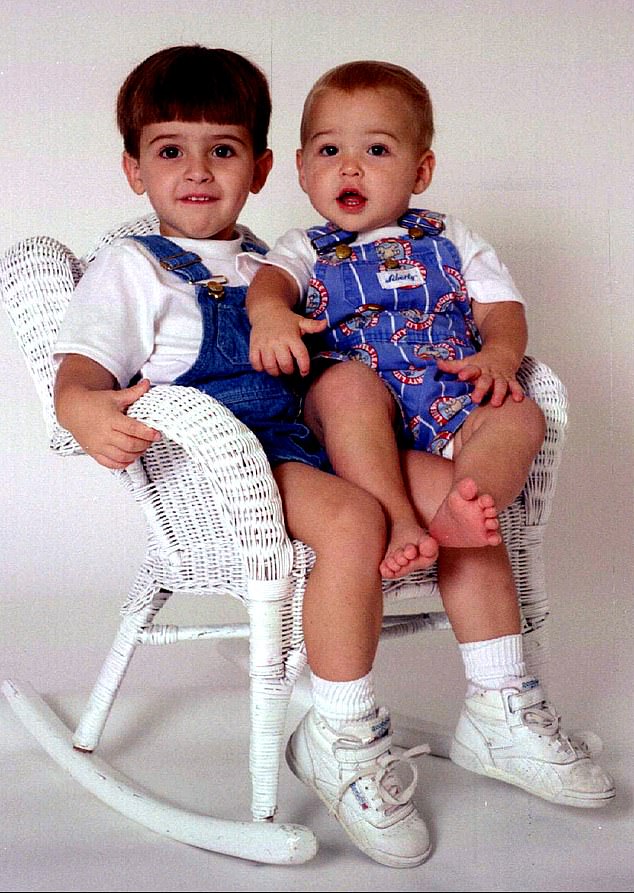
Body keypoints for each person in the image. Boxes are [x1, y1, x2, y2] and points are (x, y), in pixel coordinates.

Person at [53, 46, 433, 869]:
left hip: (304, 439)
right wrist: (81, 407)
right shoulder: (133, 268)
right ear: (133, 169)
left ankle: (504, 700)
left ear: (260, 168)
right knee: (355, 518)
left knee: (424, 468)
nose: (196, 171)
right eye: (169, 150)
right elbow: (81, 369)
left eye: (222, 149)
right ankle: (343, 733)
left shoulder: (277, 265)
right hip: (227, 470)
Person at [245, 59, 615, 841]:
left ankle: (494, 679)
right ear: (305, 169)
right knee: (342, 384)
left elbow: (502, 311)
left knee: (516, 423)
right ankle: (396, 514)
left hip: (444, 406)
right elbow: (267, 290)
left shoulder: (453, 237)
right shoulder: (300, 247)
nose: (349, 165)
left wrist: (500, 359)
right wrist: (273, 319)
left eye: (376, 150)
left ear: (421, 168)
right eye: (327, 150)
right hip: (359, 429)